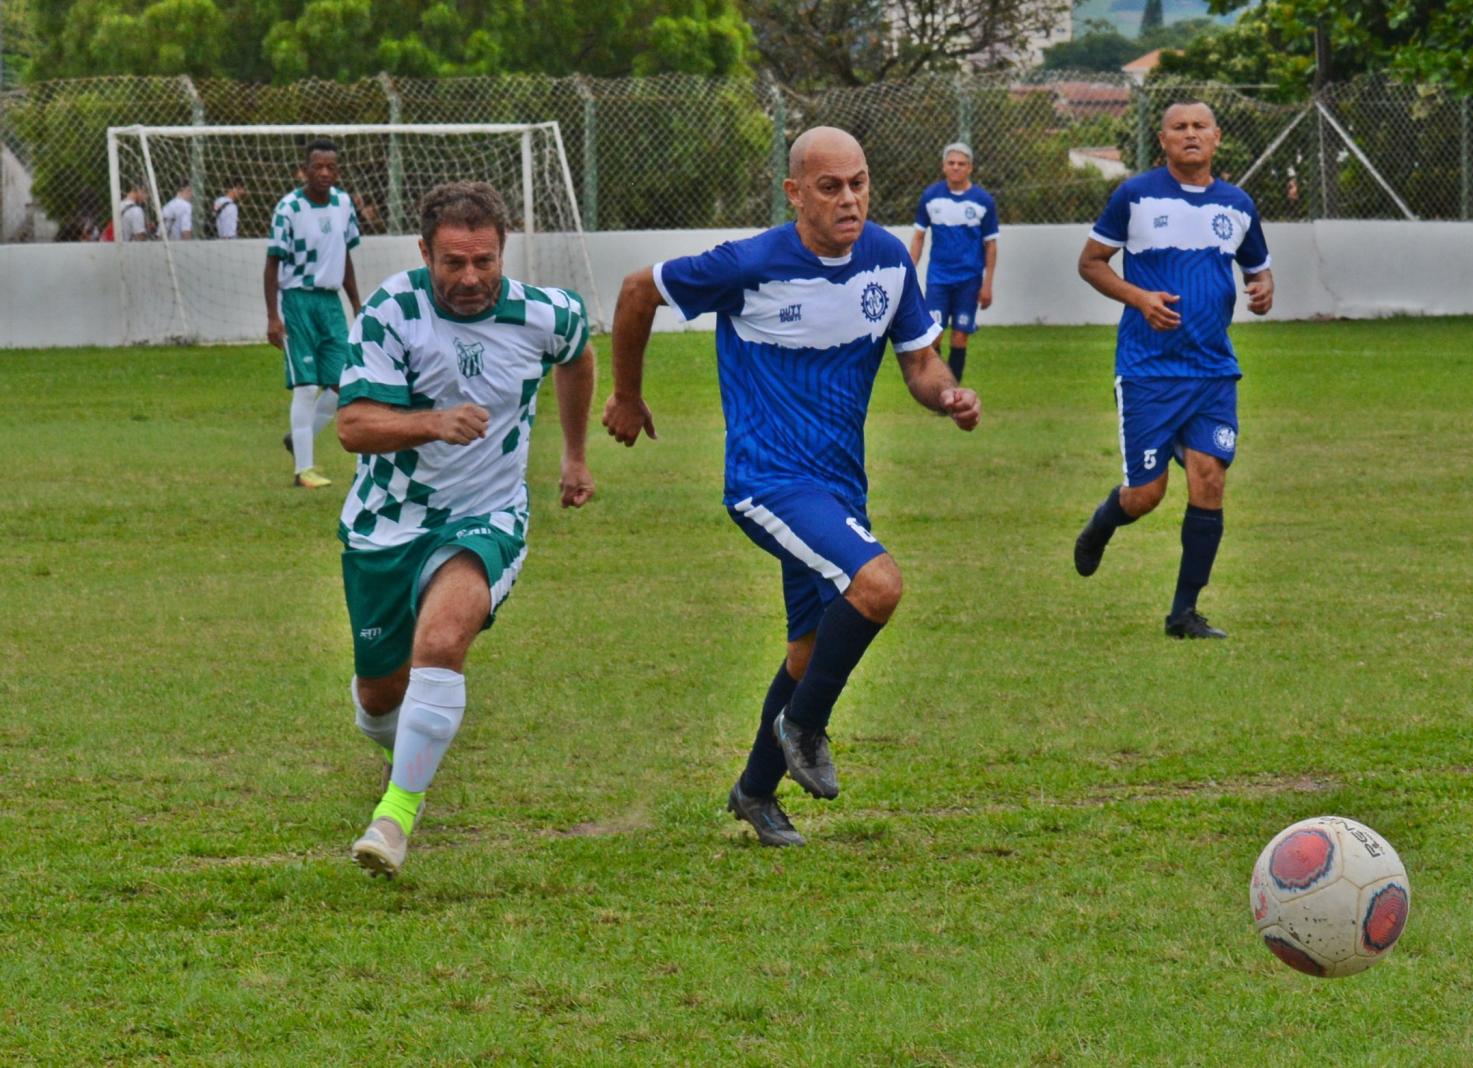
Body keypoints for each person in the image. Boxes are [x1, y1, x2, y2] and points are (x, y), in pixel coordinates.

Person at [603, 126, 981, 847]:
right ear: (796, 192)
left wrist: (950, 397)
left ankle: (754, 791)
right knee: (878, 586)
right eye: (831, 186)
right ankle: (803, 725)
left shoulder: (889, 261)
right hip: (768, 481)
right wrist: (625, 395)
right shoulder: (750, 263)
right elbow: (635, 291)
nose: (850, 199)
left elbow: (922, 365)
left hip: (838, 488)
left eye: (860, 182)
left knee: (808, 655)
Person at [337, 180, 596, 878]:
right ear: (425, 252)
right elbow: (353, 426)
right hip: (387, 527)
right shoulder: (393, 311)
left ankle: (393, 820)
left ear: (502, 251)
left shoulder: (546, 313)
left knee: (445, 639)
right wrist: (433, 421)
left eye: (485, 260)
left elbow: (576, 353)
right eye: (454, 262)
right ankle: (407, 750)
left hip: (487, 516)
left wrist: (574, 455)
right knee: (379, 697)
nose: (471, 277)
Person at [1072, 101, 1274, 639]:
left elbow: (1258, 267)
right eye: (1179, 128)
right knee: (1147, 494)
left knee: (1210, 478)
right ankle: (1100, 526)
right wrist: (1139, 297)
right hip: (1148, 371)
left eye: (1199, 127)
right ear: (1162, 140)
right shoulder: (1135, 195)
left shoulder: (1238, 205)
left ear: (1216, 137)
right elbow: (1090, 262)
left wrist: (1263, 290)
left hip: (1212, 371)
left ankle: (1183, 613)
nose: (1190, 135)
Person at [265, 139, 362, 489]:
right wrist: (273, 317)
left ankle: (298, 437)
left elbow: (344, 255)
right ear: (304, 169)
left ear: (337, 170)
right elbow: (272, 262)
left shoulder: (343, 203)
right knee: (306, 388)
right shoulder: (288, 208)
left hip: (330, 303)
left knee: (344, 383)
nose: (324, 173)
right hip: (298, 301)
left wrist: (356, 301)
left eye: (330, 167)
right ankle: (302, 471)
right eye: (317, 166)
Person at [907, 142, 998, 383]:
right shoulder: (931, 197)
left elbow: (991, 245)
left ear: (970, 168)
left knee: (960, 336)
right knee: (934, 335)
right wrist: (907, 271)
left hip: (969, 281)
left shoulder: (983, 201)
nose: (956, 167)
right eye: (951, 163)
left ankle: (953, 390)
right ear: (944, 166)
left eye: (961, 163)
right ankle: (939, 388)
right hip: (939, 279)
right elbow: (919, 236)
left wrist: (987, 285)